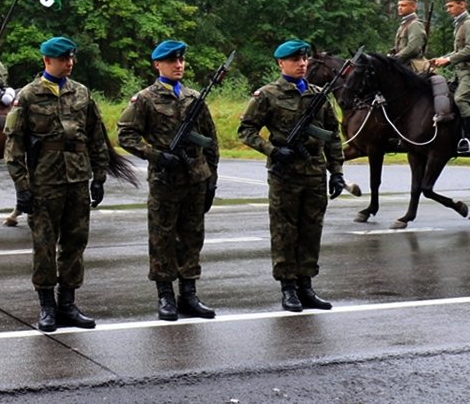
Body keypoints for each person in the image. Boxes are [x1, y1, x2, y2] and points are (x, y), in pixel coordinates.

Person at [4, 36, 108, 332]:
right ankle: (47, 306)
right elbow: (13, 144)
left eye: (71, 58)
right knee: (44, 244)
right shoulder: (28, 95)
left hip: (78, 178)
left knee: (75, 242)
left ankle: (68, 304)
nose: (69, 63)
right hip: (45, 181)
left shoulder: (82, 93)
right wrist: (22, 186)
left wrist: (99, 176)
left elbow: (96, 136)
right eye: (63, 59)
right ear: (47, 60)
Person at [238, 40, 346, 313]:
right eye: (295, 60)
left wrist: (336, 172)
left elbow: (333, 135)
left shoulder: (318, 95)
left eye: (304, 59)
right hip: (284, 175)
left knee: (311, 230)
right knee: (284, 232)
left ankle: (306, 285)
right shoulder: (267, 95)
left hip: (314, 173)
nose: (302, 64)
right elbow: (246, 131)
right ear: (281, 63)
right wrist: (273, 150)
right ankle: (288, 287)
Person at [116, 40, 220, 321]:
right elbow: (126, 135)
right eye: (172, 61)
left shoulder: (194, 98)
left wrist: (212, 177)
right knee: (162, 238)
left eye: (181, 60)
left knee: (192, 237)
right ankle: (165, 296)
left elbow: (210, 140)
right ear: (157, 65)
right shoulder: (145, 99)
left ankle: (189, 294)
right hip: (166, 180)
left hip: (196, 178)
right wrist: (157, 156)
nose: (178, 65)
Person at [429, 0, 470, 154]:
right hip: (459, 73)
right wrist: (441, 59)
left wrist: (449, 60)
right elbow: (457, 50)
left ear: (462, 4)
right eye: (447, 6)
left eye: (451, 6)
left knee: (460, 100)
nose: (448, 10)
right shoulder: (459, 24)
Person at [389, 0, 428, 73]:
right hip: (402, 64)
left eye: (403, 5)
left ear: (413, 7)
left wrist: (395, 58)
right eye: (399, 5)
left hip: (412, 67)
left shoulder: (415, 24)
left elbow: (413, 48)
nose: (400, 8)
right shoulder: (404, 24)